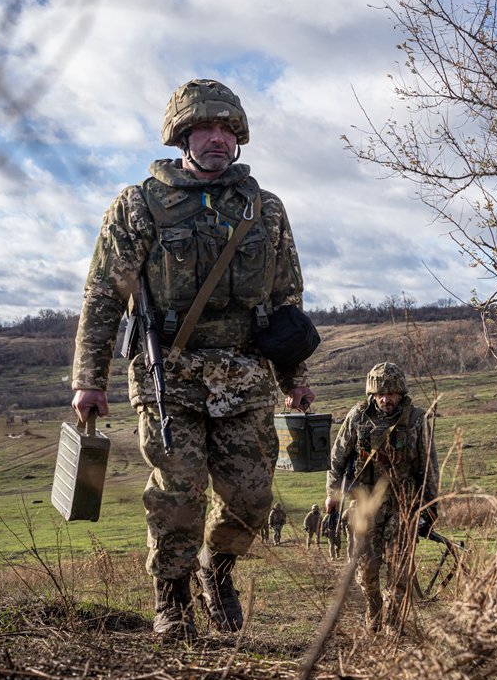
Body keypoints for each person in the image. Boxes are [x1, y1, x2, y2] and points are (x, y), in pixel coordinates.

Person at [70, 79, 316, 640]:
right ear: (182, 134)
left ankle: (216, 567)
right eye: (204, 128)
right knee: (178, 495)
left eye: (227, 130)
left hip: (247, 378)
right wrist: (89, 379)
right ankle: (172, 600)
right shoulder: (138, 205)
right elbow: (103, 298)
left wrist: (294, 379)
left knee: (253, 501)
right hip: (169, 378)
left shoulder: (265, 209)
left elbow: (287, 302)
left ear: (239, 139)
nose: (216, 139)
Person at [325, 362, 439, 632]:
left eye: (391, 393)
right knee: (365, 569)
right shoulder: (357, 417)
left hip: (403, 504)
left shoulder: (417, 420)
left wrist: (432, 506)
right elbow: (338, 458)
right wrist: (332, 494)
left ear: (401, 393)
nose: (385, 399)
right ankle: (373, 608)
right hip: (364, 504)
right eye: (380, 394)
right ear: (372, 395)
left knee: (399, 570)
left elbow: (429, 466)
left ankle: (393, 625)